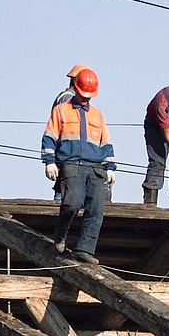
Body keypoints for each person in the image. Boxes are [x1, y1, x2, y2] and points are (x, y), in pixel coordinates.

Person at [41, 65, 115, 261]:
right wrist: (49, 162)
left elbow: (105, 142)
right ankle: (61, 235)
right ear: (75, 87)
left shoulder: (98, 114)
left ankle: (84, 250)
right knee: (71, 205)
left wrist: (110, 167)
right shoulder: (61, 110)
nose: (86, 98)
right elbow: (49, 137)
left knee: (96, 209)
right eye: (83, 93)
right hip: (71, 164)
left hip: (95, 168)